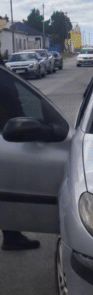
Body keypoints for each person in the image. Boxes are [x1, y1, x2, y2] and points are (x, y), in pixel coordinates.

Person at [0, 52, 40, 251]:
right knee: (8, 185)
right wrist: (23, 122)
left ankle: (11, 234)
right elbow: (11, 100)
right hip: (7, 135)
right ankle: (11, 236)